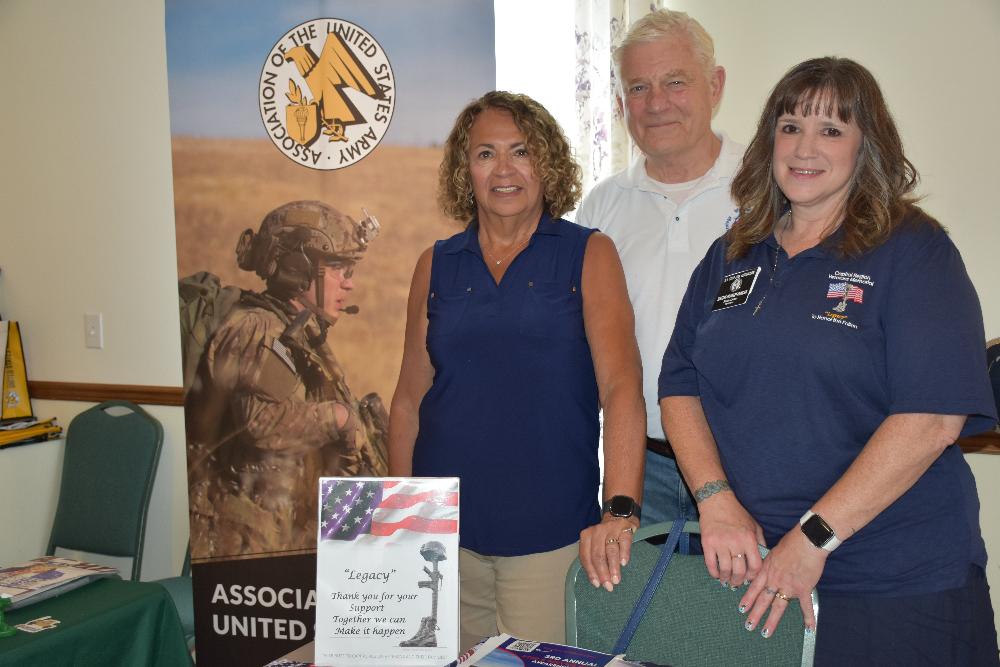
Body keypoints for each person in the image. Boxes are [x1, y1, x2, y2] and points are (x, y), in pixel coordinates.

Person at [658, 57, 999, 664]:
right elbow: (679, 381)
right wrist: (714, 499)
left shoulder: (914, 250)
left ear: (867, 147)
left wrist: (814, 537)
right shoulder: (734, 253)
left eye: (832, 130)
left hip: (895, 579)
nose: (804, 148)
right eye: (790, 126)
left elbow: (931, 419)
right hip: (763, 572)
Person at [388, 91, 645, 651]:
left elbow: (622, 389)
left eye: (521, 151)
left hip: (549, 536)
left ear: (547, 164)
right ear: (465, 169)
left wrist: (621, 510)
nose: (504, 170)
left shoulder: (588, 254)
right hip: (443, 539)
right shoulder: (436, 263)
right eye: (486, 154)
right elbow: (409, 399)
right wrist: (402, 518)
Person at [576, 9, 743, 527]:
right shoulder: (601, 208)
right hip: (639, 470)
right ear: (619, 102)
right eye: (638, 88)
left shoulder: (767, 190)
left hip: (746, 465)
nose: (656, 103)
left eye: (675, 82)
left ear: (715, 85)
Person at [185, 200, 388, 559]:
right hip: (246, 540)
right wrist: (338, 418)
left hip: (282, 528)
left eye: (350, 270)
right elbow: (260, 423)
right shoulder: (258, 328)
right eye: (338, 268)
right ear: (297, 269)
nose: (349, 283)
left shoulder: (298, 332)